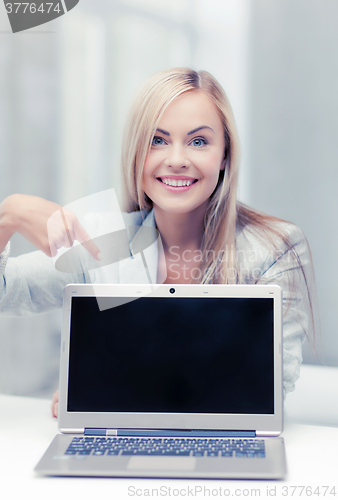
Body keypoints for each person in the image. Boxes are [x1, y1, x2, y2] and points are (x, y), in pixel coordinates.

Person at [0, 67, 315, 418]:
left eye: (199, 142)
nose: (177, 160)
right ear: (137, 152)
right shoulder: (104, 243)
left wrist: (107, 387)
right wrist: (7, 217)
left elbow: (270, 386)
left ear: (224, 154)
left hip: (223, 449)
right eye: (157, 140)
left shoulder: (275, 247)